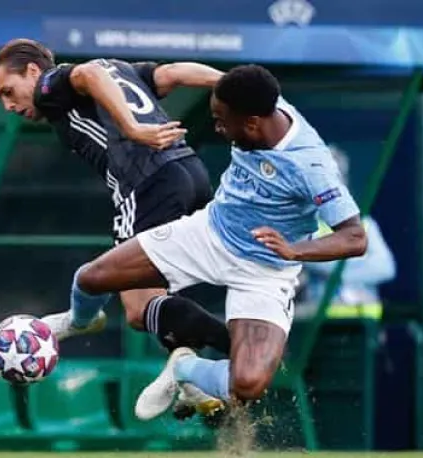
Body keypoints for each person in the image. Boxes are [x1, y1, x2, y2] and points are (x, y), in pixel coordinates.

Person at [59, 63, 368, 420]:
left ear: (252, 123)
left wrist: (294, 250)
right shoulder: (259, 100)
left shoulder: (311, 166)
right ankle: (78, 321)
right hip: (207, 234)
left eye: (222, 121)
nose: (218, 128)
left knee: (247, 385)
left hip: (266, 269)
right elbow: (216, 78)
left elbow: (354, 238)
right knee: (91, 278)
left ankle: (183, 368)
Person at [0, 39, 232, 376]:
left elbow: (88, 74)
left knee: (136, 308)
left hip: (146, 182)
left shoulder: (50, 85)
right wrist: (233, 84)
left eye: (8, 92)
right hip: (189, 172)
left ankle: (239, 349)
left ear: (32, 71)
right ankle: (193, 378)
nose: (8, 105)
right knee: (155, 303)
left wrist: (133, 129)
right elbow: (173, 73)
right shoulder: (118, 67)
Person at [295, 145, 396, 321]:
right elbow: (312, 262)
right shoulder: (301, 225)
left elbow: (385, 268)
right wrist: (359, 260)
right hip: (317, 320)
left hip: (362, 318)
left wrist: (339, 271)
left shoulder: (365, 224)